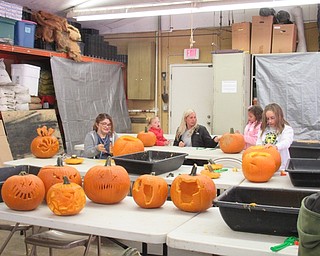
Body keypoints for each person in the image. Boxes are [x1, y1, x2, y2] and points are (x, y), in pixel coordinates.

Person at [256, 103, 294, 170]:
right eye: (267, 119)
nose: (270, 121)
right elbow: (258, 142)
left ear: (279, 116)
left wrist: (275, 147)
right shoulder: (263, 129)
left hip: (281, 167)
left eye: (272, 118)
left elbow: (287, 142)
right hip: (265, 165)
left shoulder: (287, 129)